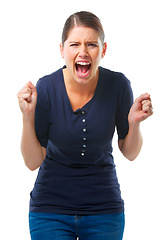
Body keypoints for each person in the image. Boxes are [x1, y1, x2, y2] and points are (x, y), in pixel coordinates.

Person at [17, 11, 153, 240]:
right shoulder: (46, 87)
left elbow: (130, 153)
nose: (83, 52)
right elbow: (32, 162)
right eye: (74, 44)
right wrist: (27, 116)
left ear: (103, 50)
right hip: (50, 210)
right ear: (62, 50)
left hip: (105, 210)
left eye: (91, 44)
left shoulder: (118, 85)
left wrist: (134, 124)